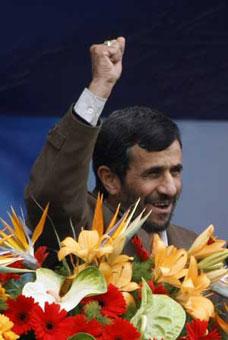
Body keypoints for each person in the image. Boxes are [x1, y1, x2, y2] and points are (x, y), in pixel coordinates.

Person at [25, 36, 197, 261]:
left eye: (175, 171)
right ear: (110, 179)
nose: (170, 188)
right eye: (153, 173)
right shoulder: (84, 232)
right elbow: (53, 194)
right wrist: (99, 89)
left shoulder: (197, 250)